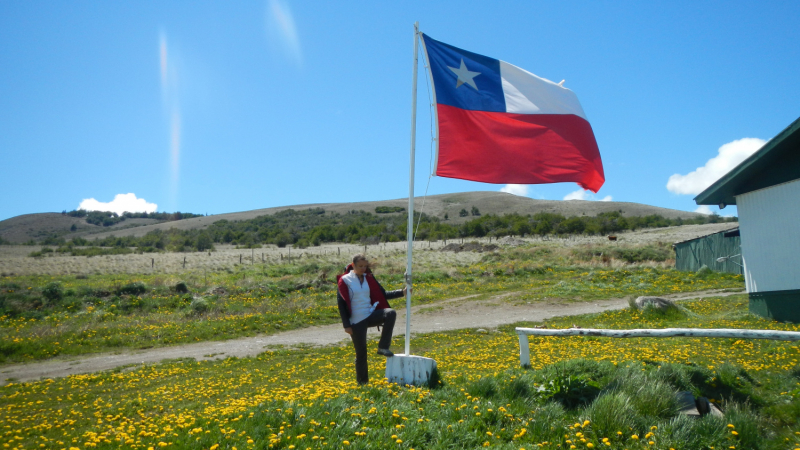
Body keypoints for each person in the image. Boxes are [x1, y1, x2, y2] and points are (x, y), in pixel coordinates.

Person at [337, 254, 407, 384]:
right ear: (353, 265)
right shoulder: (345, 280)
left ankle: (383, 347)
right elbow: (341, 304)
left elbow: (383, 294)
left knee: (390, 313)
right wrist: (346, 325)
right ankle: (363, 383)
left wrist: (402, 292)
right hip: (356, 321)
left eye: (365, 266)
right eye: (360, 266)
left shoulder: (368, 278)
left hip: (370, 315)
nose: (363, 269)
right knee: (361, 353)